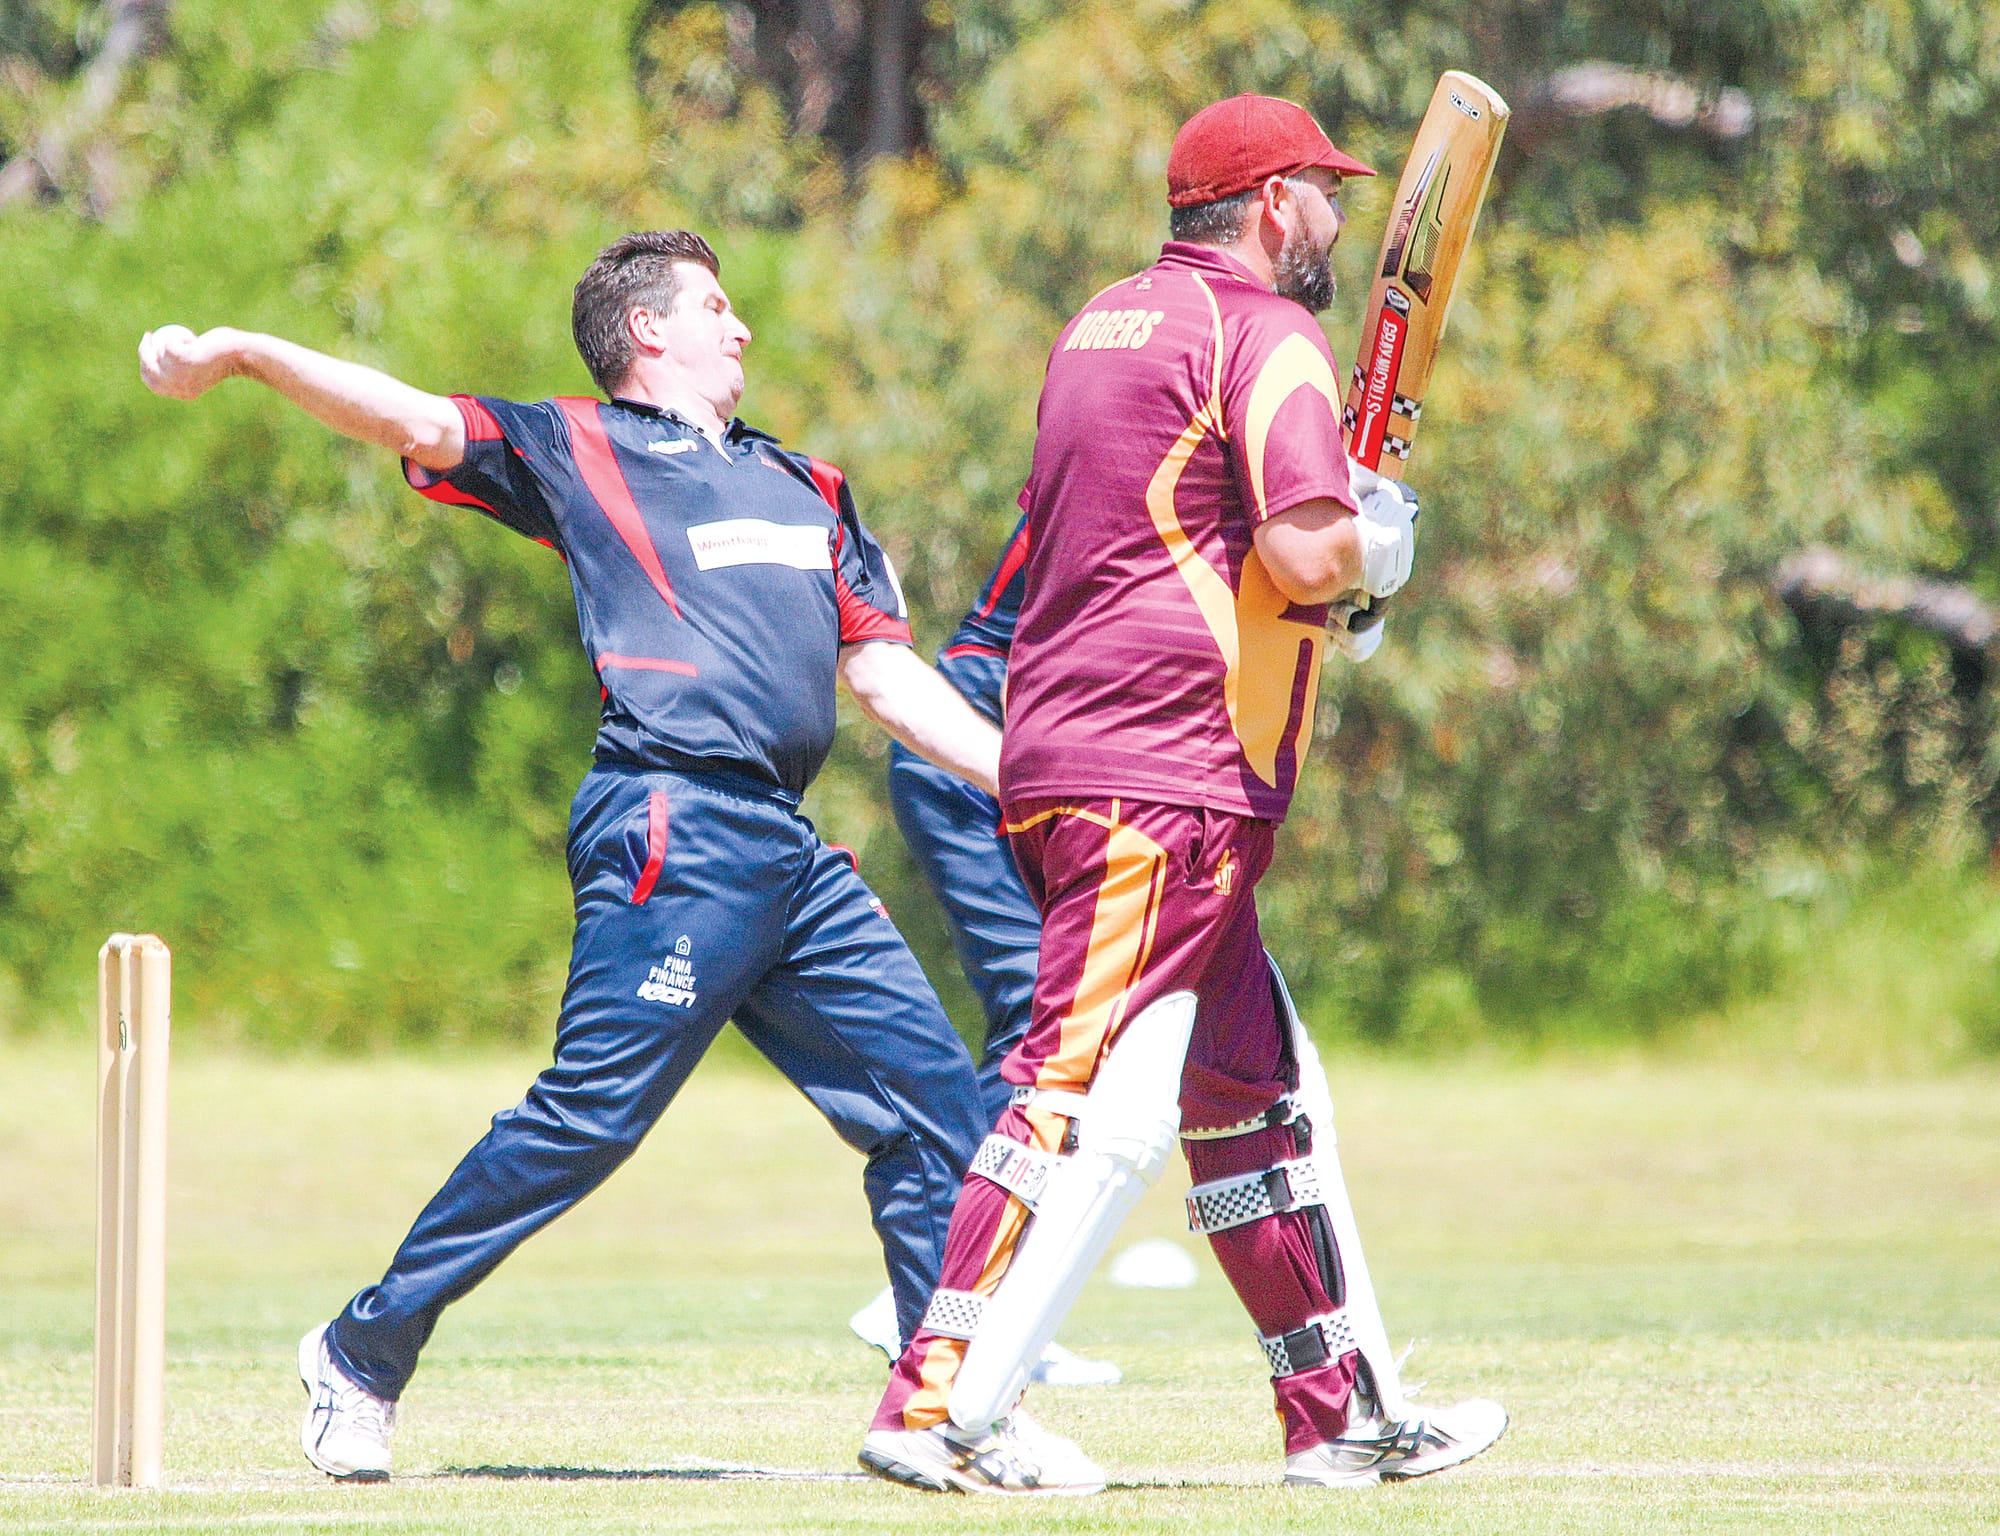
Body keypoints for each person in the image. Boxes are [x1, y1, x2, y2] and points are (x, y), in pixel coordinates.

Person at [138, 229, 1067, 1482]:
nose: (742, 329)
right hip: (670, 824)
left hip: (790, 854)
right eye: (716, 308)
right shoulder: (576, 446)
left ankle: (944, 1409)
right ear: (647, 332)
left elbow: (887, 680)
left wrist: (1032, 778)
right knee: (588, 1122)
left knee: (939, 1114)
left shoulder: (811, 486)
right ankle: (358, 1355)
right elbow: (405, 414)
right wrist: (242, 354)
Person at [858, 96, 1506, 1495]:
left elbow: (1178, 545)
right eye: (1322, 194)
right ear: (1271, 205)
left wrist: (1325, 597)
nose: (1335, 218)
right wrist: (1369, 554)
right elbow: (1298, 535)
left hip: (1071, 754)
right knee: (1084, 1090)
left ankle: (1338, 1412)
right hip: (1167, 774)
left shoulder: (1103, 322)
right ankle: (937, 1404)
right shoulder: (1271, 332)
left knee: (1260, 1095)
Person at [846, 516, 1122, 1389]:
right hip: (975, 750)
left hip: (1016, 752)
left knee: (1054, 1027)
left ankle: (961, 1292)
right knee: (1044, 1024)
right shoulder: (1133, 456)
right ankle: (948, 1296)